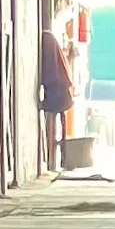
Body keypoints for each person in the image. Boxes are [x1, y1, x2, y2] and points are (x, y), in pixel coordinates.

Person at [38, 12, 76, 171]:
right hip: (59, 88)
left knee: (54, 116)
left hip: (56, 89)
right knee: (58, 119)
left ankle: (57, 159)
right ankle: (58, 159)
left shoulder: (46, 40)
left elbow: (49, 70)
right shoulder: (49, 40)